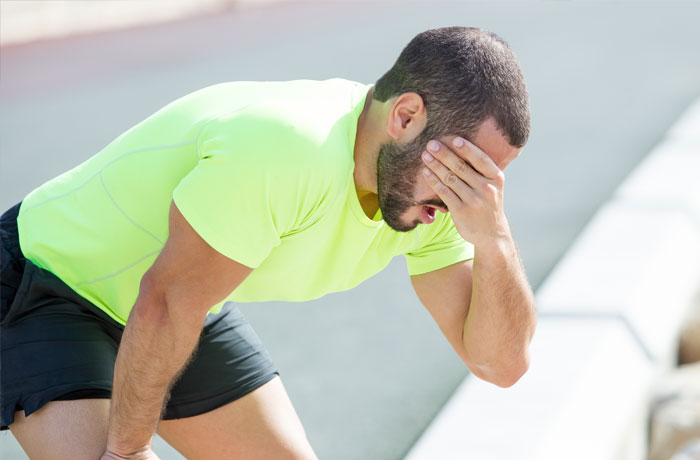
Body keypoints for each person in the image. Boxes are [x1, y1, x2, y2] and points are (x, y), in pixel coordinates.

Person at [0, 26, 536, 459]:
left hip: (181, 299)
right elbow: (165, 303)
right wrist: (126, 450)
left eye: (490, 178)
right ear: (406, 116)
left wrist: (496, 240)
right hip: (48, 282)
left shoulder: (440, 203)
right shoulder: (289, 147)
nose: (471, 193)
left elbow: (500, 365)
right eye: (466, 168)